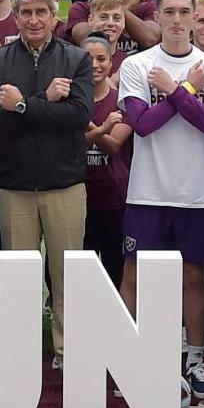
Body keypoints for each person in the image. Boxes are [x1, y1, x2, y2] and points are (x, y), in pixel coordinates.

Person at [0, 0, 95, 368]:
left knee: (66, 275)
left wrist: (24, 107)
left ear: (54, 15)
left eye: (41, 12)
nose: (33, 20)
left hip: (64, 182)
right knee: (18, 277)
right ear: (15, 16)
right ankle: (19, 349)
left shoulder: (76, 59)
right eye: (26, 12)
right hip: (15, 185)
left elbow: (78, 117)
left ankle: (67, 351)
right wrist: (43, 104)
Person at [80, 33, 131, 283]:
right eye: (87, 59)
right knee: (79, 266)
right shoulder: (71, 100)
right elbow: (71, 146)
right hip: (80, 198)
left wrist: (84, 121)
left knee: (115, 266)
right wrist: (101, 128)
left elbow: (113, 146)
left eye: (101, 59)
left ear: (112, 62)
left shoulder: (121, 101)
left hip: (114, 199)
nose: (94, 65)